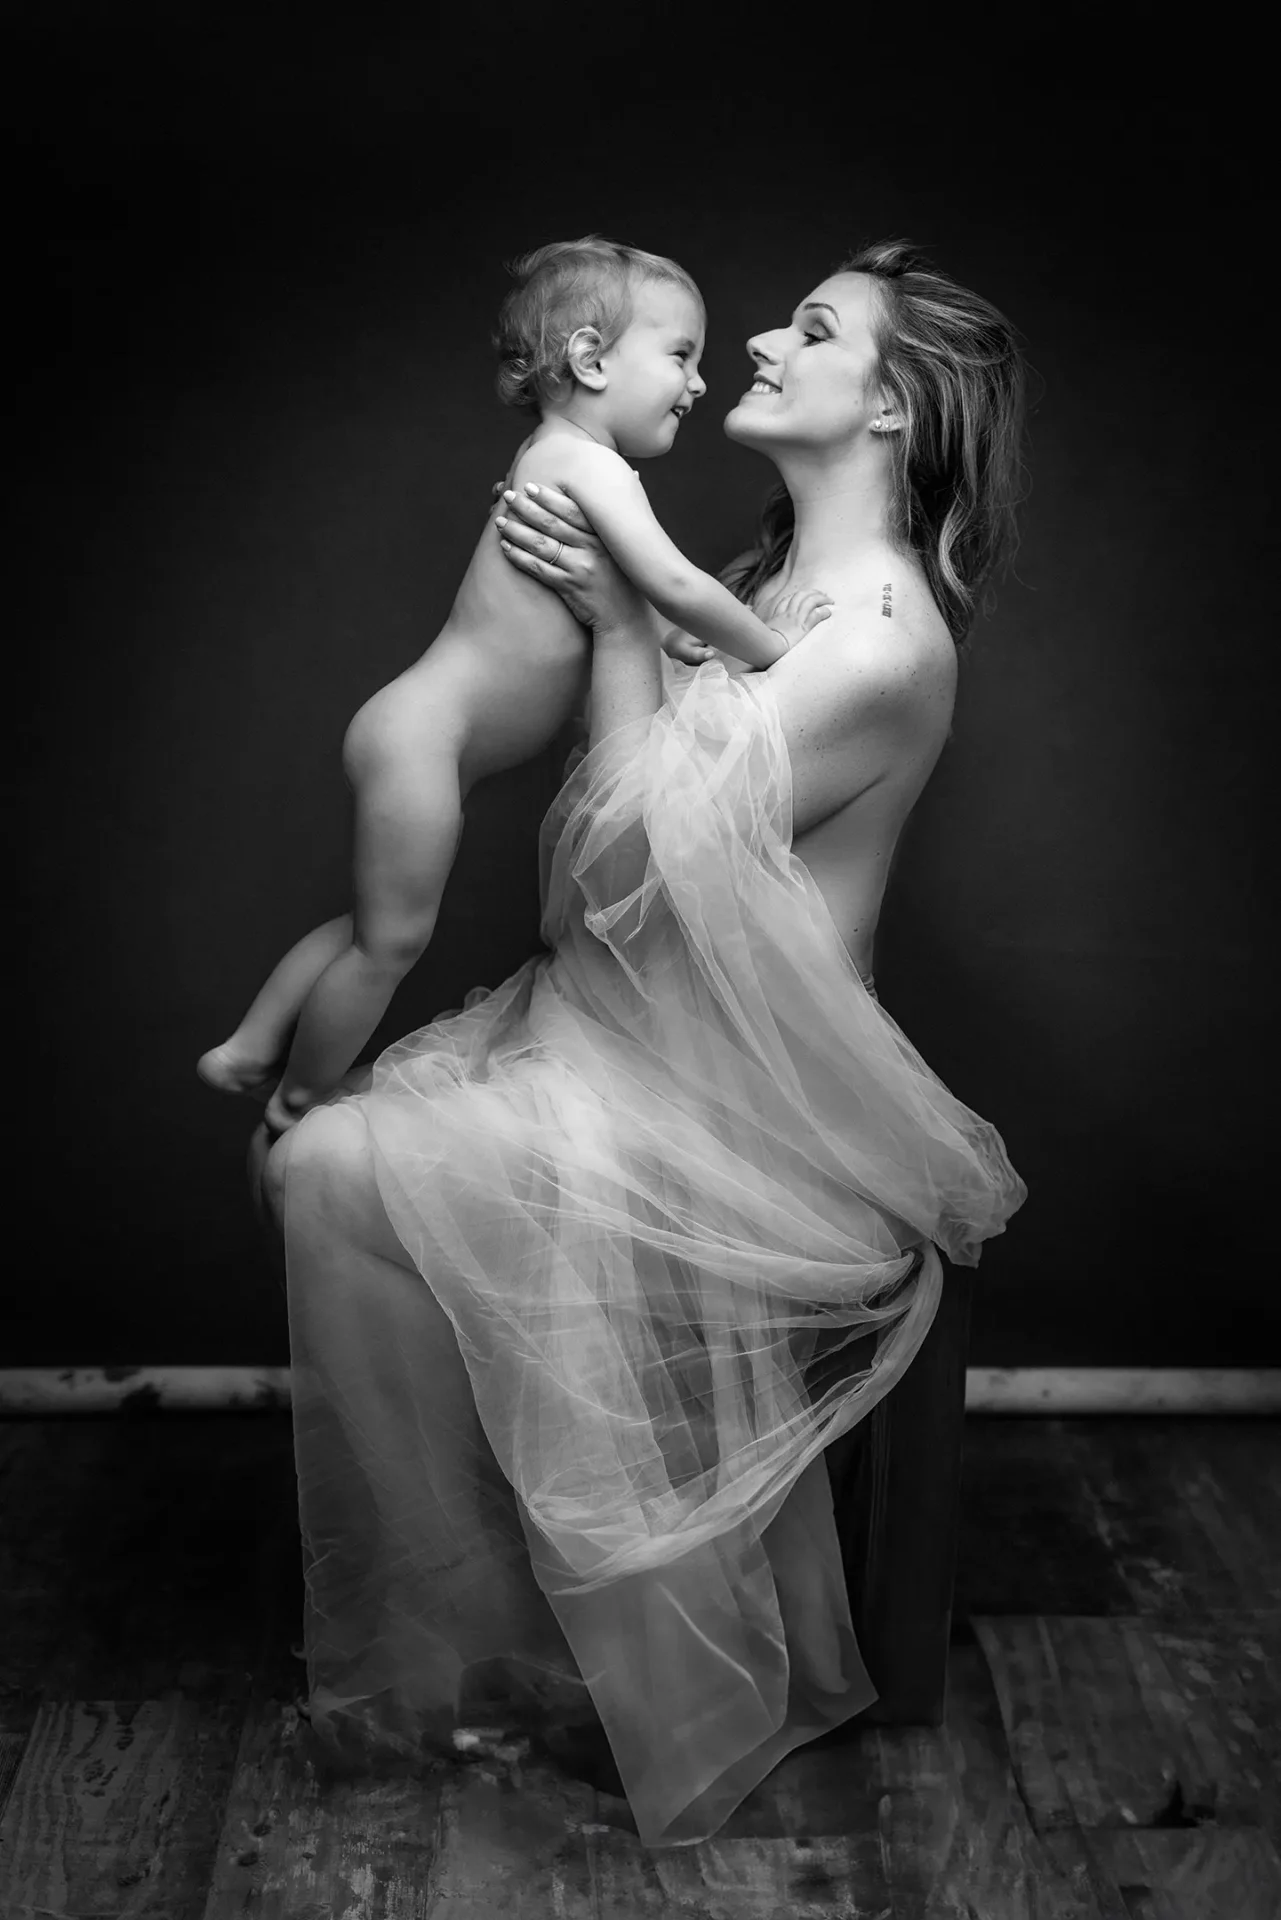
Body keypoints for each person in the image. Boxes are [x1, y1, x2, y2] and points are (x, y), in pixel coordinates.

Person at [251, 239, 1029, 1850]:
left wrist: (618, 630)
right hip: (628, 1037)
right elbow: (620, 874)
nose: (756, 337)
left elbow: (609, 873)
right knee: (331, 1169)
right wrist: (625, 618)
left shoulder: (873, 642)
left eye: (808, 330)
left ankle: (580, 1654)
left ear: (887, 406)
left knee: (343, 1165)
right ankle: (500, 1639)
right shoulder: (765, 595)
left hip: (753, 1111)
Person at [198, 236, 831, 1140]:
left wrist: (695, 644)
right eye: (681, 355)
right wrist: (779, 651)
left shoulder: (562, 461)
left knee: (372, 926)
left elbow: (659, 624)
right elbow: (678, 586)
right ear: (589, 358)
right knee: (392, 943)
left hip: (419, 736)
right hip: (423, 738)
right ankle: (296, 1099)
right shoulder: (583, 462)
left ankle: (251, 1044)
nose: (697, 384)